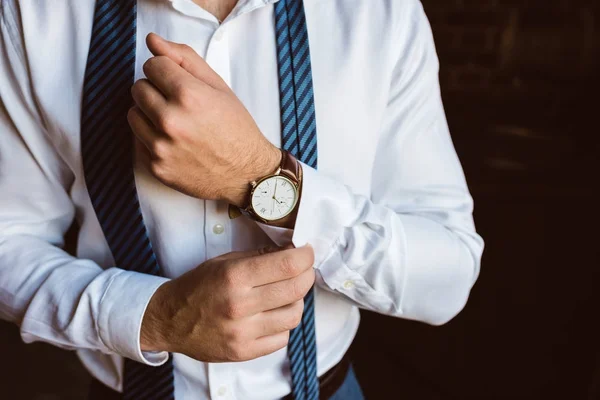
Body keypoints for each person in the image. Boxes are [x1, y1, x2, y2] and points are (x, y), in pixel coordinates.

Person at [0, 0, 484, 399]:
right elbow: (8, 241)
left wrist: (256, 177)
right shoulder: (35, 14)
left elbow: (446, 276)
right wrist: (154, 317)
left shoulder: (380, 14)